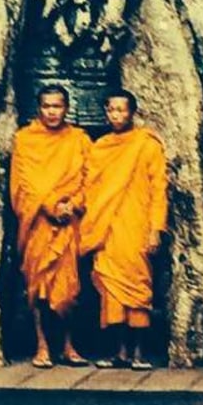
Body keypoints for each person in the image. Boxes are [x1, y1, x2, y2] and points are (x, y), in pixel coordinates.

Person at [80, 89, 168, 371]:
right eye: (111, 110)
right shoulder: (101, 147)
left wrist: (156, 229)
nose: (116, 115)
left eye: (122, 110)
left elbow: (159, 189)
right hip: (107, 227)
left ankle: (140, 352)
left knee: (138, 289)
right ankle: (119, 351)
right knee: (111, 291)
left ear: (132, 112)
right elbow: (90, 187)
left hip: (137, 226)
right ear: (106, 113)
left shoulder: (147, 145)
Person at [10, 85, 91, 368]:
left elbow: (88, 178)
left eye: (57, 106)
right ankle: (42, 345)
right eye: (47, 106)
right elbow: (23, 183)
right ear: (39, 108)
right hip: (38, 223)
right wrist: (47, 206)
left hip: (69, 221)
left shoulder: (79, 140)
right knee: (37, 287)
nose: (52, 112)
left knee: (69, 289)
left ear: (66, 108)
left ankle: (69, 345)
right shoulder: (25, 140)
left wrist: (73, 204)